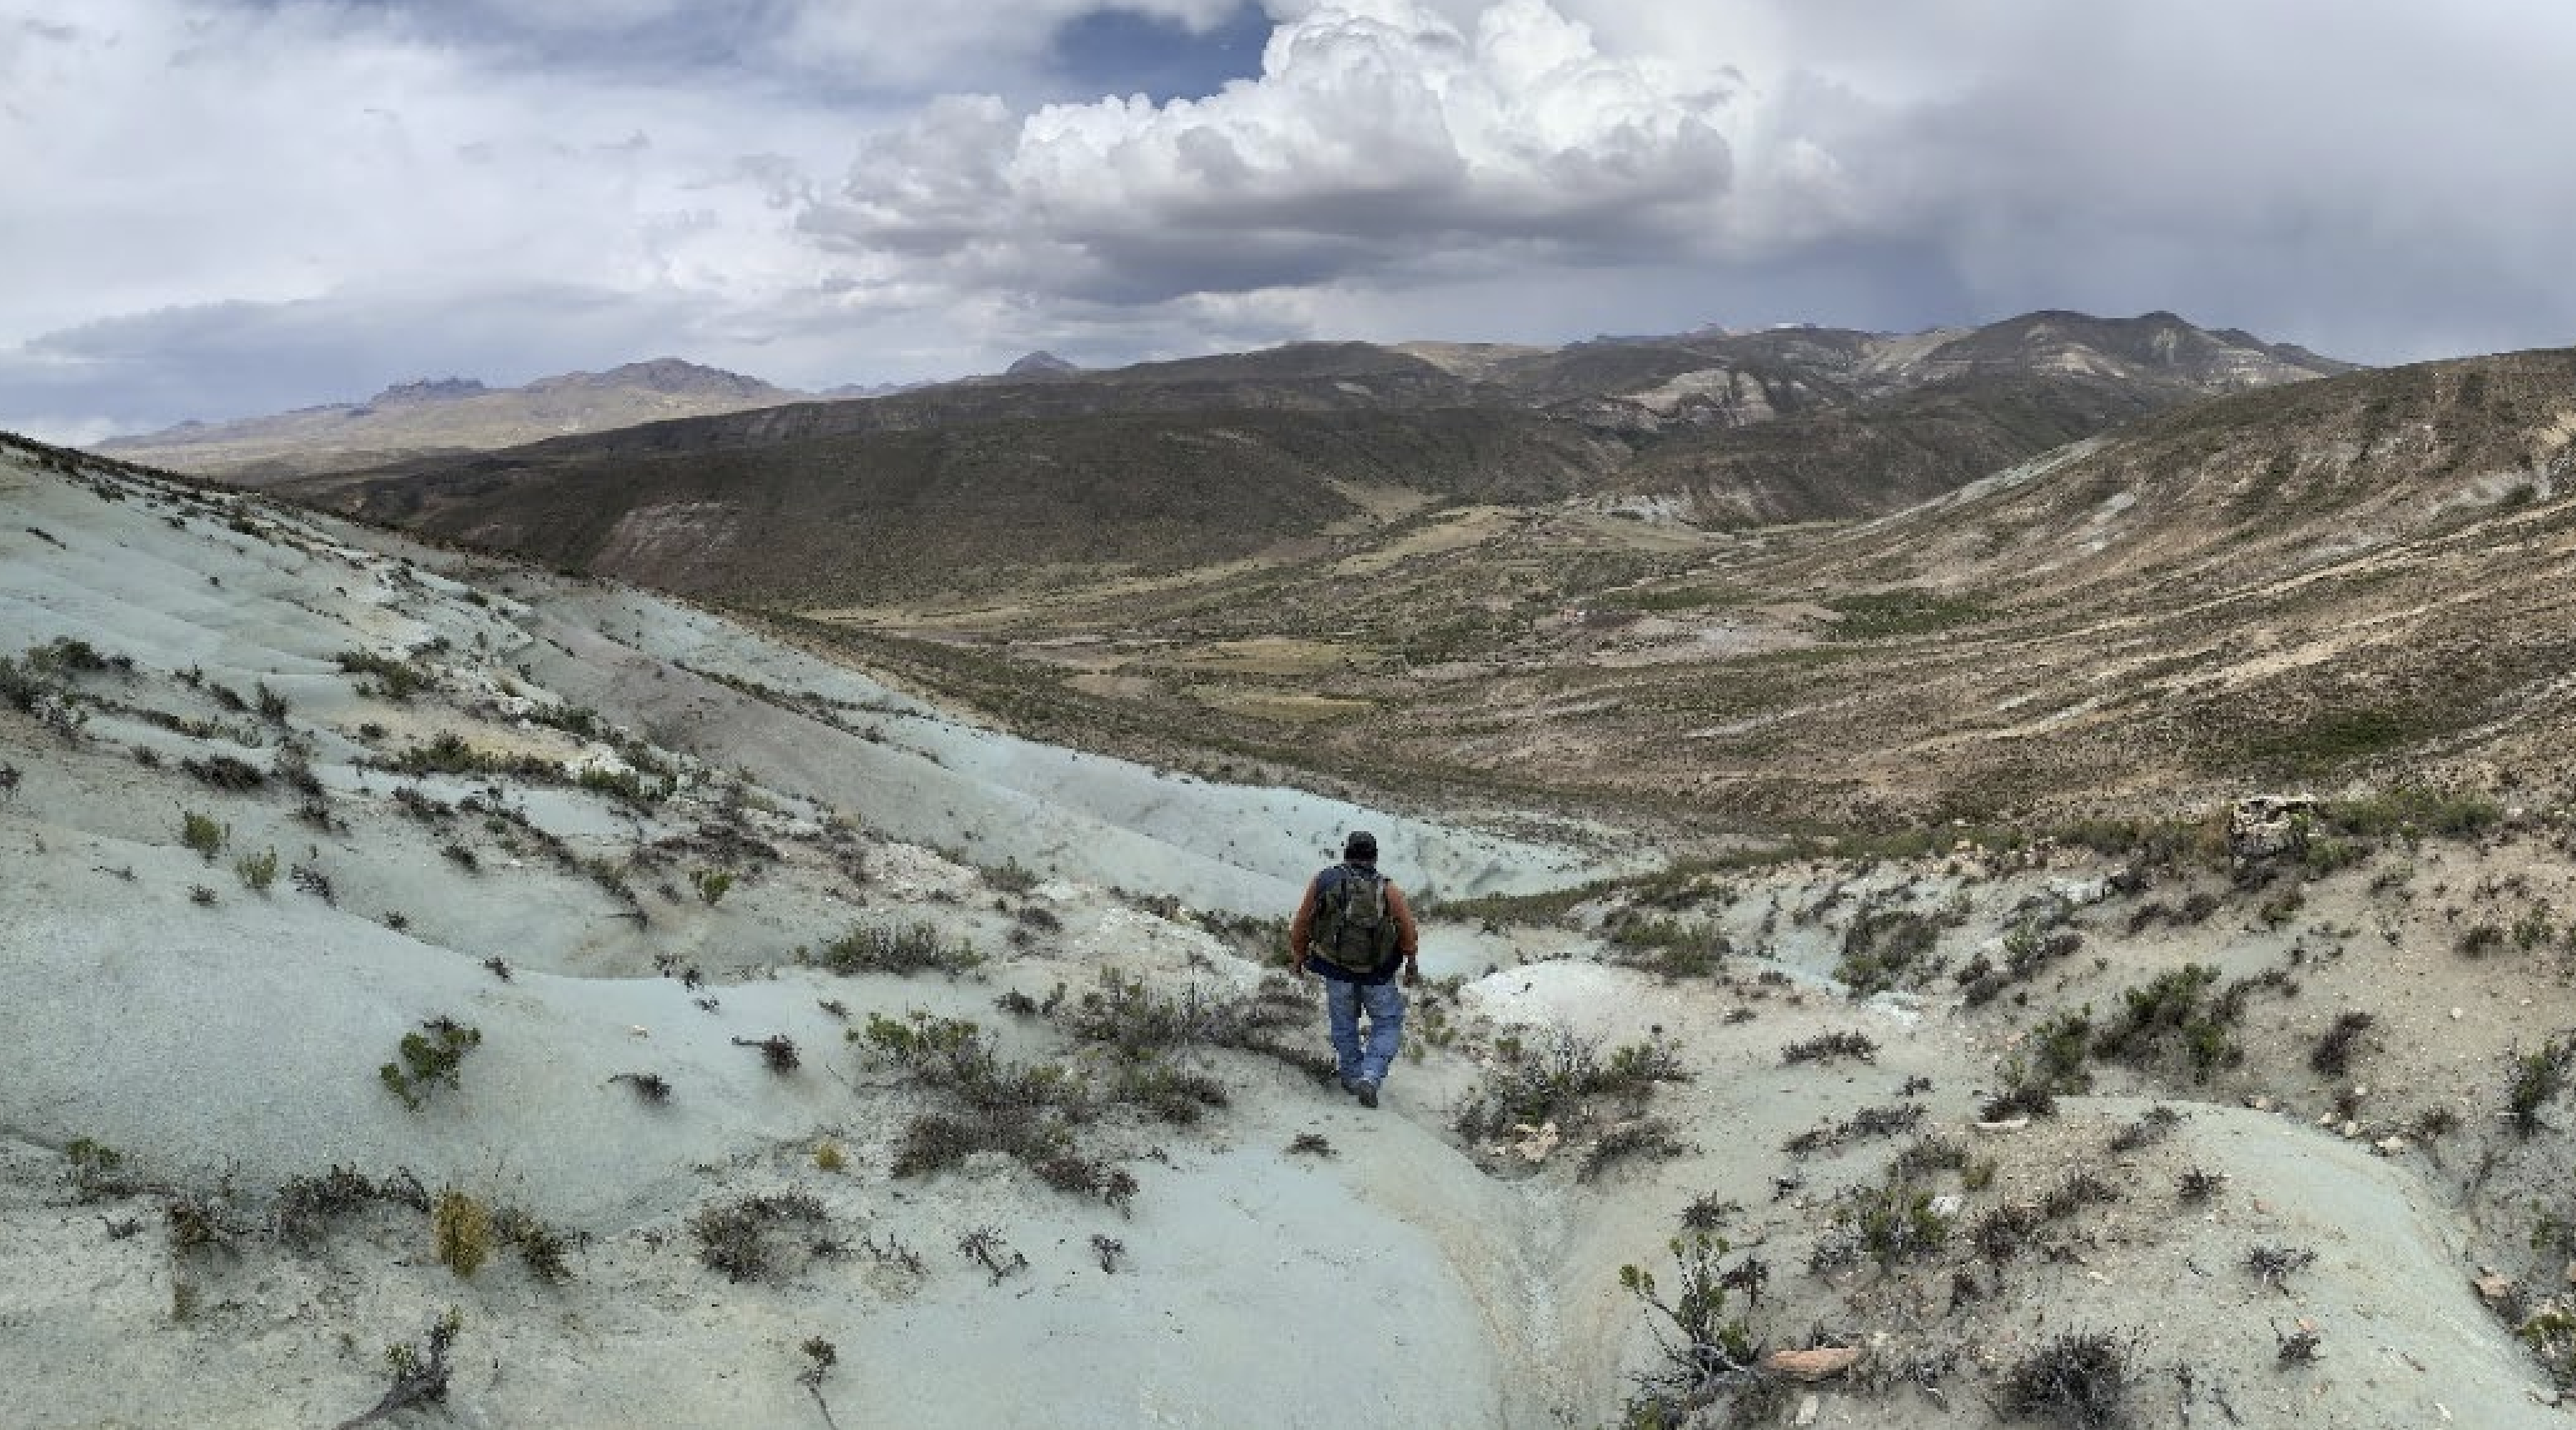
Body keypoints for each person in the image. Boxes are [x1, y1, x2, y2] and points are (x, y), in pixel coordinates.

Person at [1288, 830, 1420, 1108]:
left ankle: (1351, 1076)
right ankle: (1371, 1077)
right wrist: (1410, 960)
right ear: (1374, 856)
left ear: (1347, 852)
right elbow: (1406, 928)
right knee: (1387, 1023)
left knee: (1344, 1022)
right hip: (1378, 973)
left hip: (1336, 969)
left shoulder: (1324, 880)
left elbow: (1302, 921)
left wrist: (1299, 955)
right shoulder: (1388, 889)